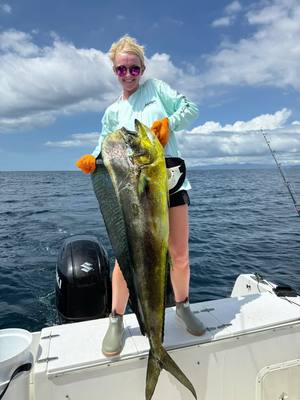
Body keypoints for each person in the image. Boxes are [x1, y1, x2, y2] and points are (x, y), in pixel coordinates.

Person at [76, 35, 205, 357]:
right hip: (132, 190)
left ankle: (182, 305)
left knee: (179, 254)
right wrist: (93, 158)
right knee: (126, 259)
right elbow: (105, 143)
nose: (129, 75)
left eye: (134, 69)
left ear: (142, 69)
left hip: (170, 183)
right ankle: (117, 318)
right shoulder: (113, 111)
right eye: (122, 70)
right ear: (114, 71)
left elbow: (191, 109)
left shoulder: (157, 90)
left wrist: (169, 123)